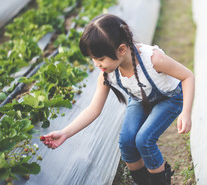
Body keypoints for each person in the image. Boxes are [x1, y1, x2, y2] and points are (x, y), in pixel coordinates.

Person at [41, 14, 195, 185]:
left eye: (100, 59)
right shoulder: (107, 74)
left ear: (121, 50)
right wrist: (65, 133)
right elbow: (93, 109)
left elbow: (187, 76)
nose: (97, 64)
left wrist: (186, 112)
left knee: (144, 140)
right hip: (139, 99)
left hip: (170, 97)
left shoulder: (153, 60)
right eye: (93, 59)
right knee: (127, 142)